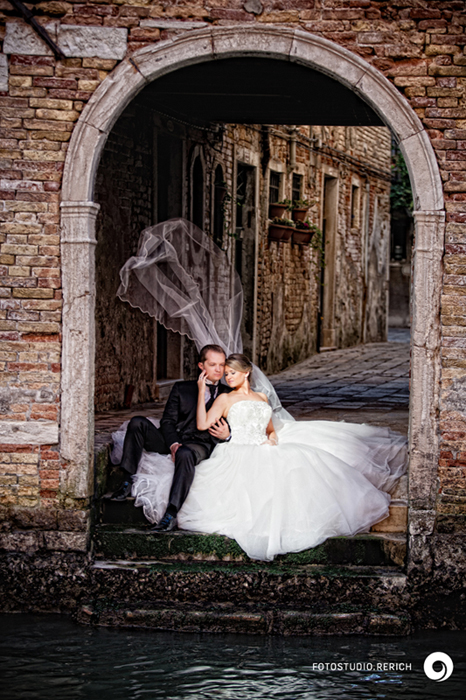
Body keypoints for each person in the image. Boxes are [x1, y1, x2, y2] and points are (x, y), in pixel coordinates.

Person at [166, 353, 408, 561]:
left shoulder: (261, 398)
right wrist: (200, 391)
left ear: (247, 372)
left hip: (263, 447)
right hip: (236, 450)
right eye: (226, 373)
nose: (227, 377)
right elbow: (202, 424)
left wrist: (271, 439)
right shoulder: (225, 398)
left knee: (303, 461)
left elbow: (269, 428)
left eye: (232, 373)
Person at [109, 344, 231, 531]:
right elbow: (167, 421)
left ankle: (171, 514)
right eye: (213, 364)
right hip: (175, 438)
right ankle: (126, 480)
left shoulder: (228, 394)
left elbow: (240, 424)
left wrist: (228, 435)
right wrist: (173, 443)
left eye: (222, 365)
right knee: (137, 423)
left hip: (200, 445)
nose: (218, 370)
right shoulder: (182, 388)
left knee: (184, 453)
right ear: (201, 366)